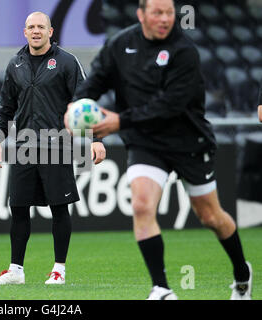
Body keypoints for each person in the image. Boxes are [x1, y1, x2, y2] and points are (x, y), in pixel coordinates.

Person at [65, 0, 252, 300]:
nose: (165, 18)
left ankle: (242, 273)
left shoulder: (184, 51)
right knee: (141, 204)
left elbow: (169, 106)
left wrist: (118, 121)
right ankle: (161, 289)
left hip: (188, 142)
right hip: (146, 142)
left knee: (211, 217)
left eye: (169, 13)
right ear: (142, 15)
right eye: (158, 12)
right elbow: (96, 80)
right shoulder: (121, 44)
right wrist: (77, 104)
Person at [0, 11, 106, 285]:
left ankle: (59, 270)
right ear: (25, 32)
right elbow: (4, 108)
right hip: (23, 147)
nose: (36, 31)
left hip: (57, 146)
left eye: (41, 26)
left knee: (59, 208)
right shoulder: (15, 64)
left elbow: (84, 103)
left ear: (51, 32)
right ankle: (16, 270)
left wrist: (97, 140)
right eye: (31, 27)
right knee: (18, 208)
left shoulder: (66, 62)